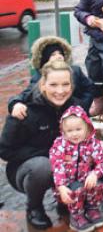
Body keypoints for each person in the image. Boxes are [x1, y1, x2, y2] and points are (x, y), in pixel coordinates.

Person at [0, 60, 79, 229]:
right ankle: (34, 207)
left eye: (65, 84)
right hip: (27, 169)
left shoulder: (74, 107)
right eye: (53, 84)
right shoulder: (23, 110)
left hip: (62, 164)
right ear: (42, 85)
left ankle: (65, 200)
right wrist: (48, 154)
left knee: (96, 160)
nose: (60, 91)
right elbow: (4, 150)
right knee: (43, 167)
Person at [49, 106, 103, 232]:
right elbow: (57, 166)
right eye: (70, 131)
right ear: (63, 132)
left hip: (85, 179)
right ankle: (76, 215)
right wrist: (61, 186)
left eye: (78, 129)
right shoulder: (60, 144)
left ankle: (91, 208)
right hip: (67, 186)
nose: (75, 134)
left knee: (96, 184)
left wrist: (94, 174)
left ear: (87, 128)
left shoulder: (92, 143)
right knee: (76, 189)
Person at [8, 36, 93, 118]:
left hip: (76, 115)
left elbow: (89, 88)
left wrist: (83, 105)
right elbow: (26, 94)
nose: (58, 56)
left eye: (60, 53)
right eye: (53, 54)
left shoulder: (75, 71)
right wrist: (15, 104)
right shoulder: (40, 77)